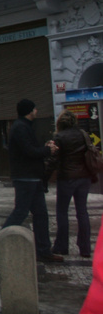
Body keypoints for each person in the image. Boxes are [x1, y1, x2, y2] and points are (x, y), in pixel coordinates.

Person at [0, 99, 63, 263]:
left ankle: (43, 250)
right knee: (20, 212)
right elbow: (29, 151)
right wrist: (48, 150)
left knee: (40, 214)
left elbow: (30, 149)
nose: (37, 111)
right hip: (26, 177)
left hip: (32, 177)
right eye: (35, 109)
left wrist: (44, 147)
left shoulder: (24, 127)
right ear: (29, 111)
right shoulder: (20, 128)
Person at [52, 109, 94, 257]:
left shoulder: (59, 137)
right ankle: (85, 248)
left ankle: (62, 246)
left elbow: (54, 159)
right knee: (82, 211)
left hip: (67, 178)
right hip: (84, 177)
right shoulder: (83, 134)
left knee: (62, 211)